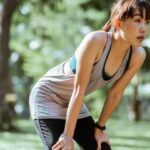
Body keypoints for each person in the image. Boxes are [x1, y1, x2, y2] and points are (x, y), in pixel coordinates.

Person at [29, 0, 150, 150]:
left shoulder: (137, 55)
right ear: (118, 23)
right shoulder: (96, 41)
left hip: (74, 102)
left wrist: (99, 129)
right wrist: (67, 135)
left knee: (102, 147)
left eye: (147, 21)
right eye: (138, 20)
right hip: (48, 97)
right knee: (63, 147)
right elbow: (78, 90)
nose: (144, 28)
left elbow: (115, 94)